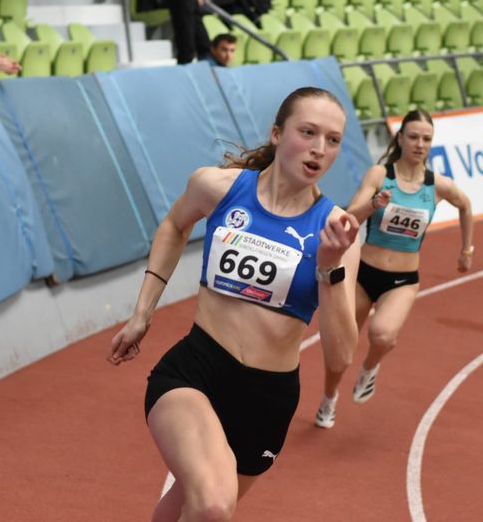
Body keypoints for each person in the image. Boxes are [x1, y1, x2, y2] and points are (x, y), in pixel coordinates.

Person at [107, 87, 361, 521]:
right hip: (197, 371)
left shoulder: (335, 233)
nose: (320, 149)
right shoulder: (218, 188)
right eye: (308, 132)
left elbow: (341, 354)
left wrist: (328, 267)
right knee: (212, 504)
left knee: (184, 510)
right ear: (277, 134)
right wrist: (142, 313)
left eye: (333, 139)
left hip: (268, 399)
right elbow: (174, 224)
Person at [315, 108, 474, 429]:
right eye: (413, 137)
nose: (419, 144)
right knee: (341, 348)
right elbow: (349, 218)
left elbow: (466, 205)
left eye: (426, 139)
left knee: (383, 335)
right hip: (363, 275)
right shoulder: (379, 176)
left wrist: (466, 249)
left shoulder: (437, 185)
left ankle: (370, 368)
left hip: (402, 279)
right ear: (400, 138)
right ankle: (329, 399)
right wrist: (373, 204)